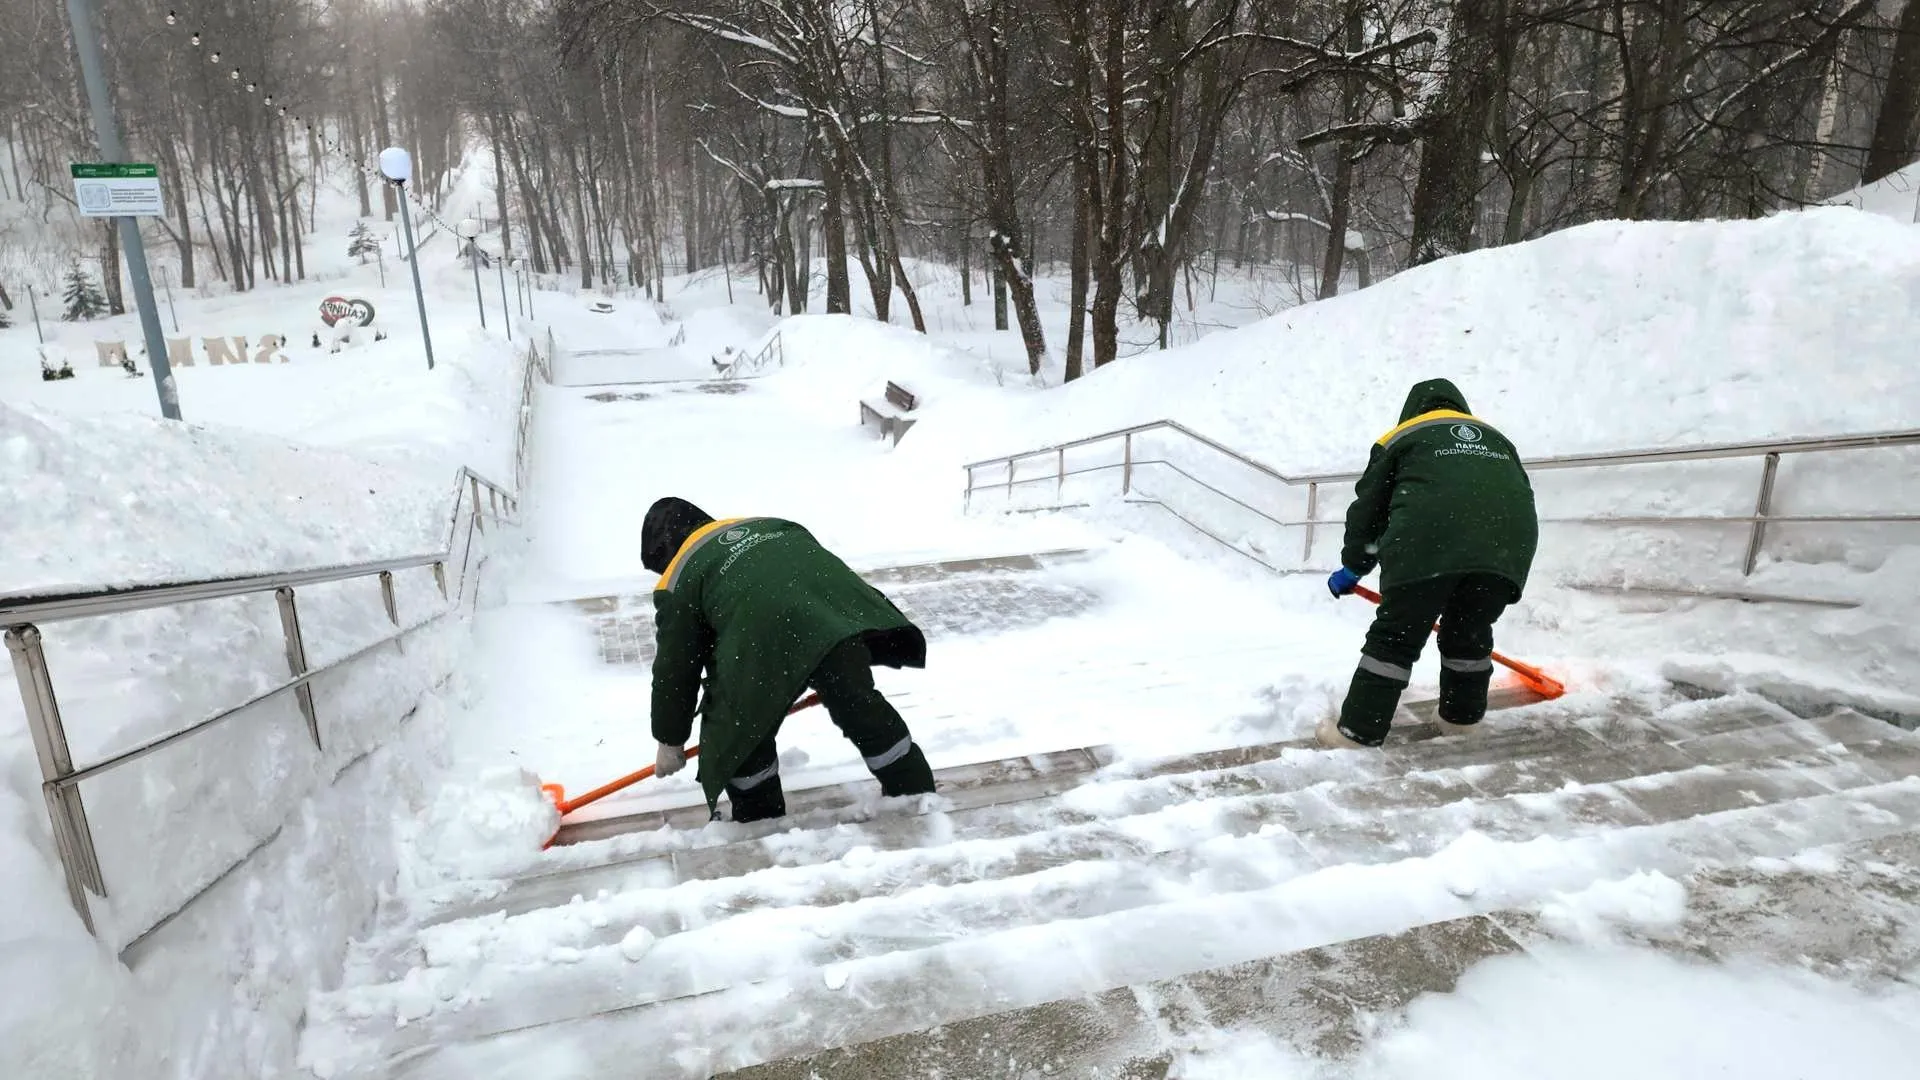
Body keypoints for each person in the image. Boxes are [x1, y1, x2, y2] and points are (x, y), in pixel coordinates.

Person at [640, 497, 937, 822]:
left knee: (738, 732)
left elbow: (676, 668)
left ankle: (759, 821)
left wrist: (669, 740)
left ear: (666, 551)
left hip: (762, 643)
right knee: (859, 705)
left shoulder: (678, 578)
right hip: (833, 621)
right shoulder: (771, 525)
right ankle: (914, 791)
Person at [1320, 378, 1538, 749]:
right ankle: (1461, 722)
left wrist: (1353, 568)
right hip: (1505, 549)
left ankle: (1357, 734)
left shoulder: (1402, 437)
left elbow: (1368, 513)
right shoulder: (1496, 439)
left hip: (1427, 545)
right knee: (1469, 631)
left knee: (1396, 637)